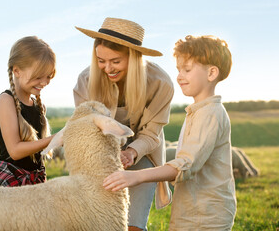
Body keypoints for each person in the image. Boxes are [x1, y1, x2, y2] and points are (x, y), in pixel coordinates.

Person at [103, 35, 237, 230]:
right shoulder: (198, 111)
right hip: (190, 210)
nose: (179, 76)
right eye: (178, 69)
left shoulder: (210, 114)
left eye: (187, 69)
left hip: (207, 216)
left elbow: (185, 165)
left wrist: (136, 176)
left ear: (211, 73)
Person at [73, 17, 174, 231]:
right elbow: (84, 128)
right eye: (101, 60)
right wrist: (106, 155)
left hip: (143, 153)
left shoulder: (160, 83)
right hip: (98, 155)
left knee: (133, 224)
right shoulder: (85, 81)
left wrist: (130, 153)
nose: (107, 68)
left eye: (116, 61)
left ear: (134, 57)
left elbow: (152, 134)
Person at [0, 36, 56, 187]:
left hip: (35, 181)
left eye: (49, 77)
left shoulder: (39, 106)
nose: (44, 83)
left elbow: (39, 147)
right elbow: (15, 150)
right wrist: (55, 138)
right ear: (17, 70)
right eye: (38, 77)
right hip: (11, 183)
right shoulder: (6, 101)